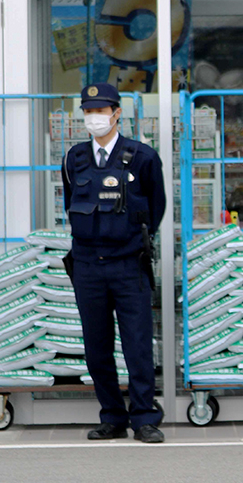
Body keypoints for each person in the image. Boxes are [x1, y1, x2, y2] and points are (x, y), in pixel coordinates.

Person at [62, 83, 166, 443]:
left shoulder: (142, 156)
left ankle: (145, 418)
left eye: (101, 110)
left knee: (137, 343)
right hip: (88, 264)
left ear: (117, 112)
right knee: (97, 345)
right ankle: (112, 416)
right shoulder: (74, 158)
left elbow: (157, 206)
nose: (94, 118)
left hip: (128, 263)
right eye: (88, 111)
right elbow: (70, 204)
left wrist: (130, 236)